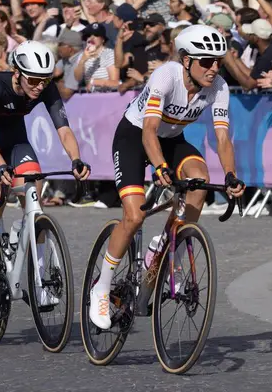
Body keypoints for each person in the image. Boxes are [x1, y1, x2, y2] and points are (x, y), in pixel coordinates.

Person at [88, 25, 245, 329]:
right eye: (206, 61)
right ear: (186, 60)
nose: (214, 68)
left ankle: (163, 241)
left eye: (218, 62)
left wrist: (231, 176)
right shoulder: (166, 75)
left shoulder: (219, 87)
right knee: (134, 217)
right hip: (134, 137)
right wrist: (159, 167)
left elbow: (223, 139)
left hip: (172, 139)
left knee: (199, 180)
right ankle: (102, 287)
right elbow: (148, 131)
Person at [0, 41, 91, 303]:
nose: (39, 86)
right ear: (17, 72)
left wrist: (76, 159)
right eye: (33, 79)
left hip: (16, 140)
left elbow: (63, 130)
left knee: (34, 198)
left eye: (45, 80)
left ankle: (39, 278)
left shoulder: (46, 88)